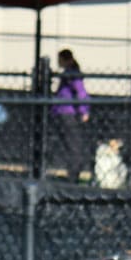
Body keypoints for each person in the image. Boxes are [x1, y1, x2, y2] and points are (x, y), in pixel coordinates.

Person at [52, 49, 90, 182]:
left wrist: (83, 111)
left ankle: (73, 176)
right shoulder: (68, 73)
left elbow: (81, 92)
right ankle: (72, 174)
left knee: (74, 146)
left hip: (67, 113)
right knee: (70, 145)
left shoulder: (73, 74)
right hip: (62, 112)